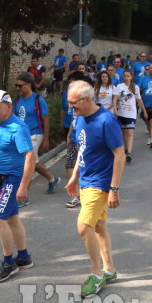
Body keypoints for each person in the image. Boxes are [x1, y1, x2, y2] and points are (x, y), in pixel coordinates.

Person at [65, 80, 125, 298]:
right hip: (85, 181)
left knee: (83, 227)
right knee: (98, 226)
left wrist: (114, 188)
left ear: (87, 99)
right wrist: (74, 177)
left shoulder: (107, 121)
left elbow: (119, 154)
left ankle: (96, 273)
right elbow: (83, 148)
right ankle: (109, 270)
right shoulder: (81, 118)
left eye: (73, 103)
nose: (71, 107)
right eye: (69, 103)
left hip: (100, 183)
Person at [0, 90, 36, 282]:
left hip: (12, 179)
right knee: (11, 218)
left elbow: (31, 157)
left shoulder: (17, 128)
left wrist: (23, 186)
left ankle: (9, 263)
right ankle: (24, 257)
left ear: (9, 107)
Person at [13, 72, 60, 206]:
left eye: (20, 86)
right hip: (21, 136)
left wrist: (46, 139)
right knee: (33, 163)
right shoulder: (17, 101)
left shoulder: (38, 100)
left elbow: (46, 120)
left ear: (28, 85)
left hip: (35, 134)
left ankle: (23, 197)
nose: (17, 88)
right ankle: (52, 179)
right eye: (16, 86)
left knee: (26, 165)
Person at [63, 71, 87, 208]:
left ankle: (86, 193)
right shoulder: (72, 102)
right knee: (69, 166)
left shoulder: (84, 100)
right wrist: (69, 134)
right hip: (73, 137)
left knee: (84, 167)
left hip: (84, 139)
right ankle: (75, 196)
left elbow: (87, 120)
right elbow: (74, 120)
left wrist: (81, 140)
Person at [113, 70, 147, 163]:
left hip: (131, 113)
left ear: (131, 77)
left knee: (130, 133)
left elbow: (139, 100)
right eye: (124, 76)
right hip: (121, 113)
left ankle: (129, 152)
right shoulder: (119, 86)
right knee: (124, 133)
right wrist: (115, 108)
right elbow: (115, 98)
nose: (126, 78)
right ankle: (126, 148)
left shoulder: (135, 87)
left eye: (127, 76)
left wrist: (144, 111)